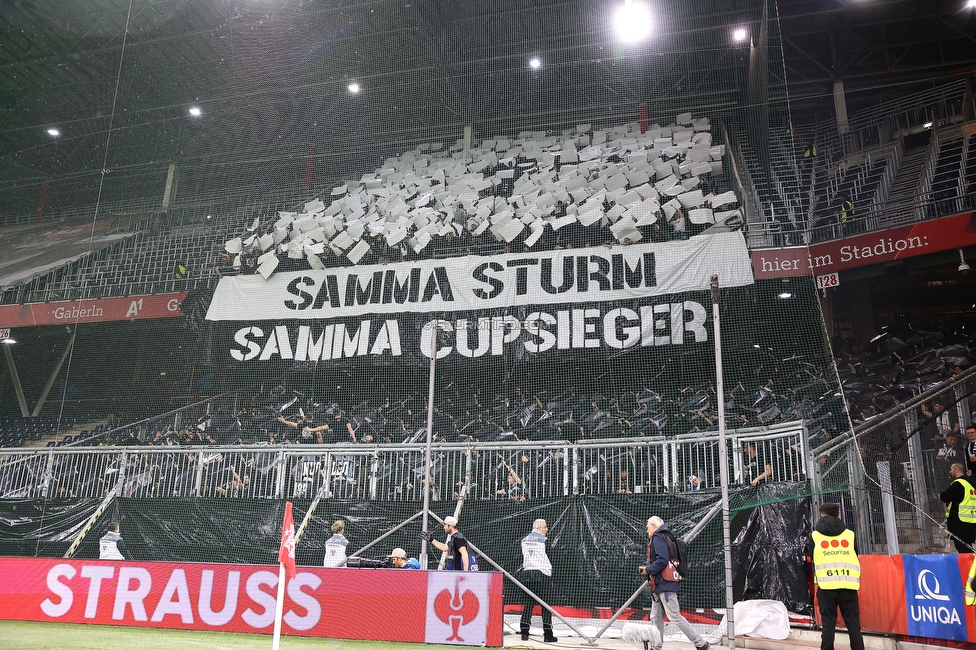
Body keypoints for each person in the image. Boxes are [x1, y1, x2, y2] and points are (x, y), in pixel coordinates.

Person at [639, 516, 709, 650]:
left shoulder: (658, 537)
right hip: (661, 584)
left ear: (654, 525)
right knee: (655, 617)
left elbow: (662, 560)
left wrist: (648, 569)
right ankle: (656, 646)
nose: (646, 528)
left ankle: (700, 643)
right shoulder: (668, 537)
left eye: (648, 525)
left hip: (664, 584)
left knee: (674, 616)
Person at [809, 502, 863, 650]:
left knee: (828, 624)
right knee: (853, 625)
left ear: (821, 515)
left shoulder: (815, 535)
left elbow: (811, 556)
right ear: (838, 515)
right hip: (848, 585)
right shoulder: (849, 534)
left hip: (826, 587)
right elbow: (855, 554)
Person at [519, 519, 557, 642]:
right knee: (545, 605)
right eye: (545, 527)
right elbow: (550, 556)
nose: (547, 529)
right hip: (542, 574)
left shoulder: (524, 540)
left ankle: (524, 633)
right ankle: (548, 634)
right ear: (540, 527)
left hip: (527, 573)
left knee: (528, 604)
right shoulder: (545, 540)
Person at [940, 463, 976, 553]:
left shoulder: (959, 484)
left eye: (951, 470)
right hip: (971, 521)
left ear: (956, 470)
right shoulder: (971, 483)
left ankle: (970, 566)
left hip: (960, 522)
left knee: (963, 549)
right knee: (967, 546)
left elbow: (945, 496)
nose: (950, 472)